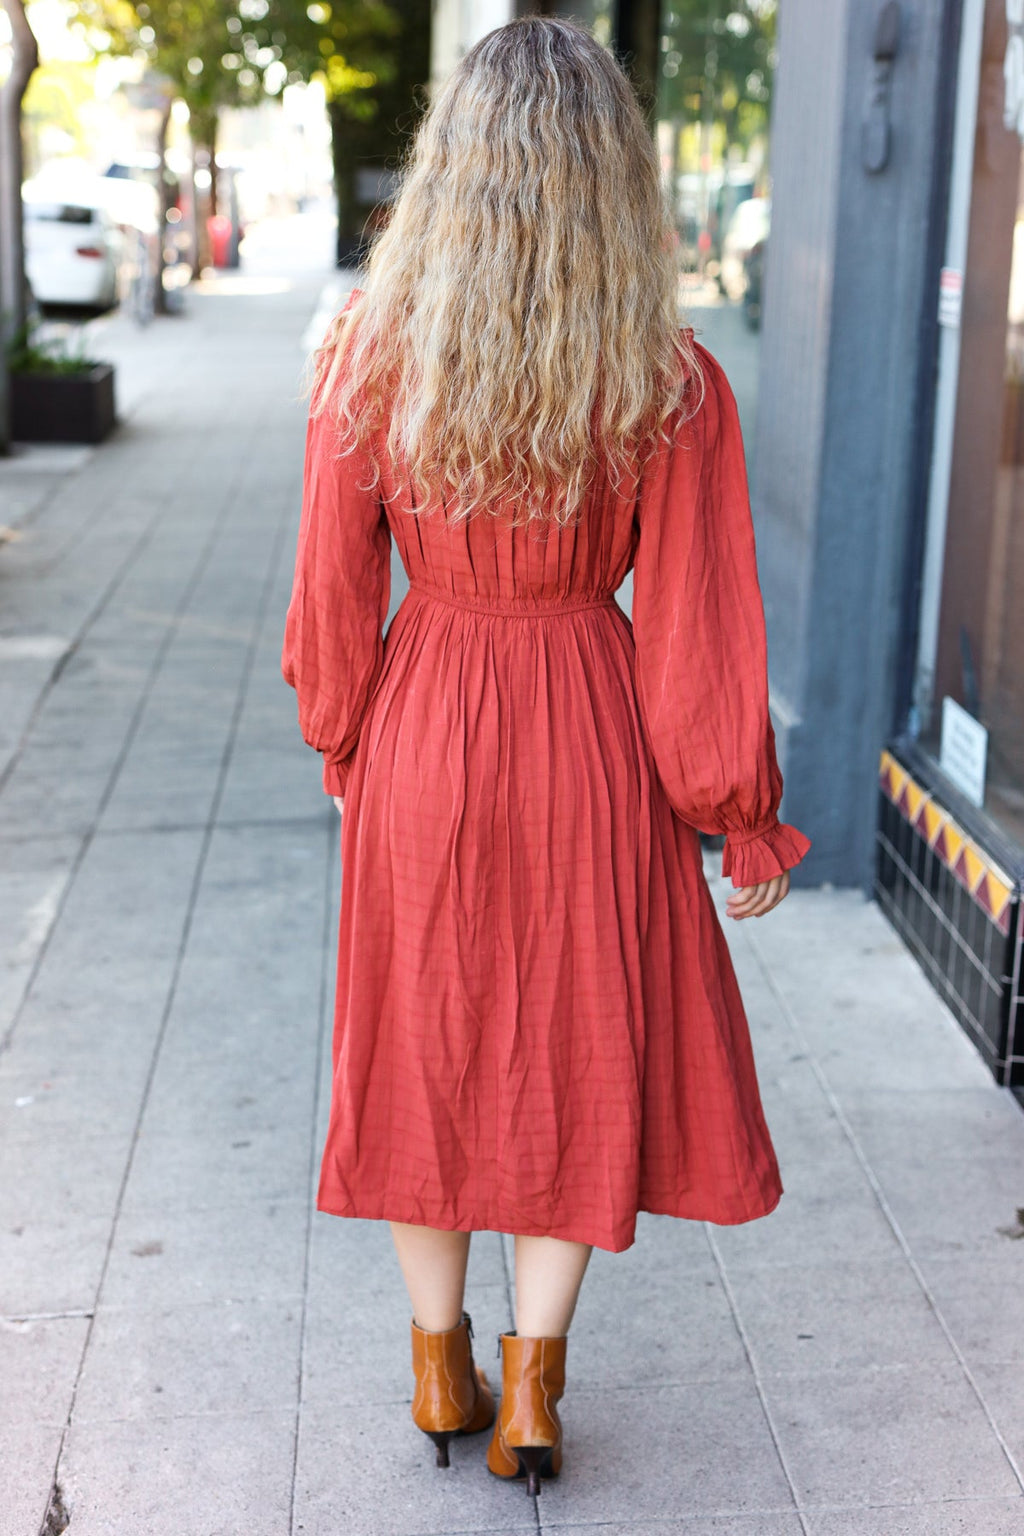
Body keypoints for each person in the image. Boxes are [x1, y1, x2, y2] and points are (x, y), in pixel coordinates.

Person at [281, 14, 811, 1500]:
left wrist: (344, 734)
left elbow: (330, 591)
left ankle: (434, 1362)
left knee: (421, 1044)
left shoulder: (370, 358)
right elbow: (701, 623)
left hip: (425, 723)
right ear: (612, 178)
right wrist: (737, 810)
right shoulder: (667, 378)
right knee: (579, 1043)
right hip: (591, 721)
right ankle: (531, 1388)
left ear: (451, 167)